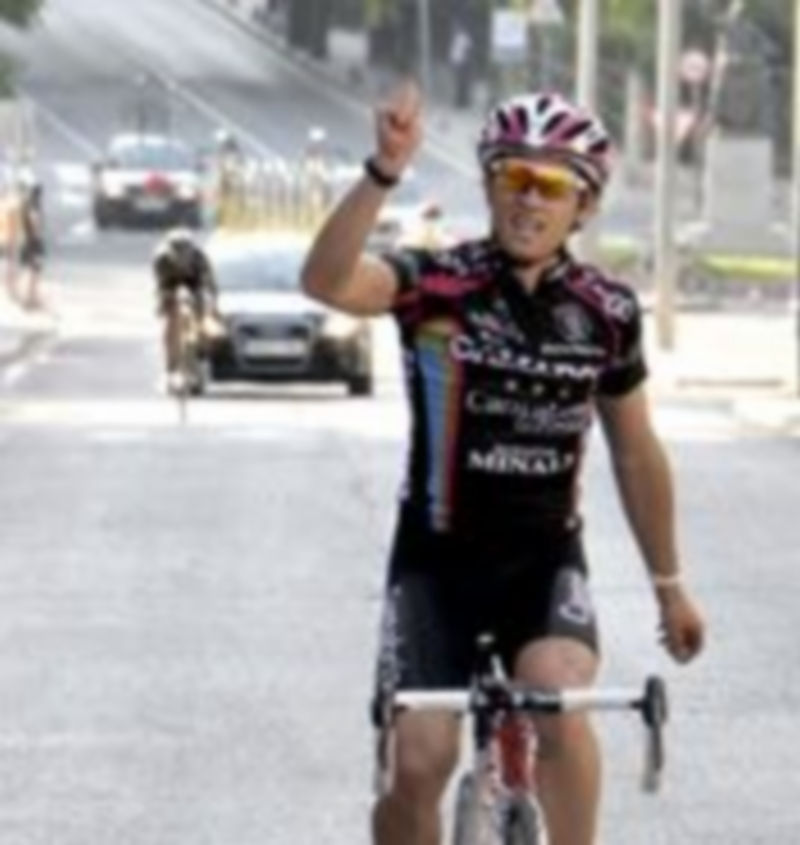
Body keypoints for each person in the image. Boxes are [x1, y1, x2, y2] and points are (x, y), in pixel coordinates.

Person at [301, 82, 706, 845]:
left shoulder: (606, 311)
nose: (528, 199)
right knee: (418, 760)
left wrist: (669, 586)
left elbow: (635, 450)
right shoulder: (433, 281)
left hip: (543, 563)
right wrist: (382, 173)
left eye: (551, 184)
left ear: (582, 206)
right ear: (487, 183)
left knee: (559, 700)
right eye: (512, 176)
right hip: (435, 564)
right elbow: (324, 282)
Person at [152, 228, 223, 393]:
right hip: (170, 284)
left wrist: (211, 307)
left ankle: (201, 353)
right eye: (178, 252)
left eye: (185, 252)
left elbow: (210, 286)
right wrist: (163, 302)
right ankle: (170, 365)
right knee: (169, 318)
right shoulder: (162, 259)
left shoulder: (200, 258)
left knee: (204, 312)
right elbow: (160, 286)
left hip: (195, 284)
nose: (182, 257)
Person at [15, 173, 46, 310]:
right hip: (32, 242)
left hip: (25, 240)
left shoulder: (23, 203)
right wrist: (38, 237)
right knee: (33, 271)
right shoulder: (32, 206)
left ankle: (28, 298)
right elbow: (35, 222)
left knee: (27, 270)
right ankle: (29, 299)